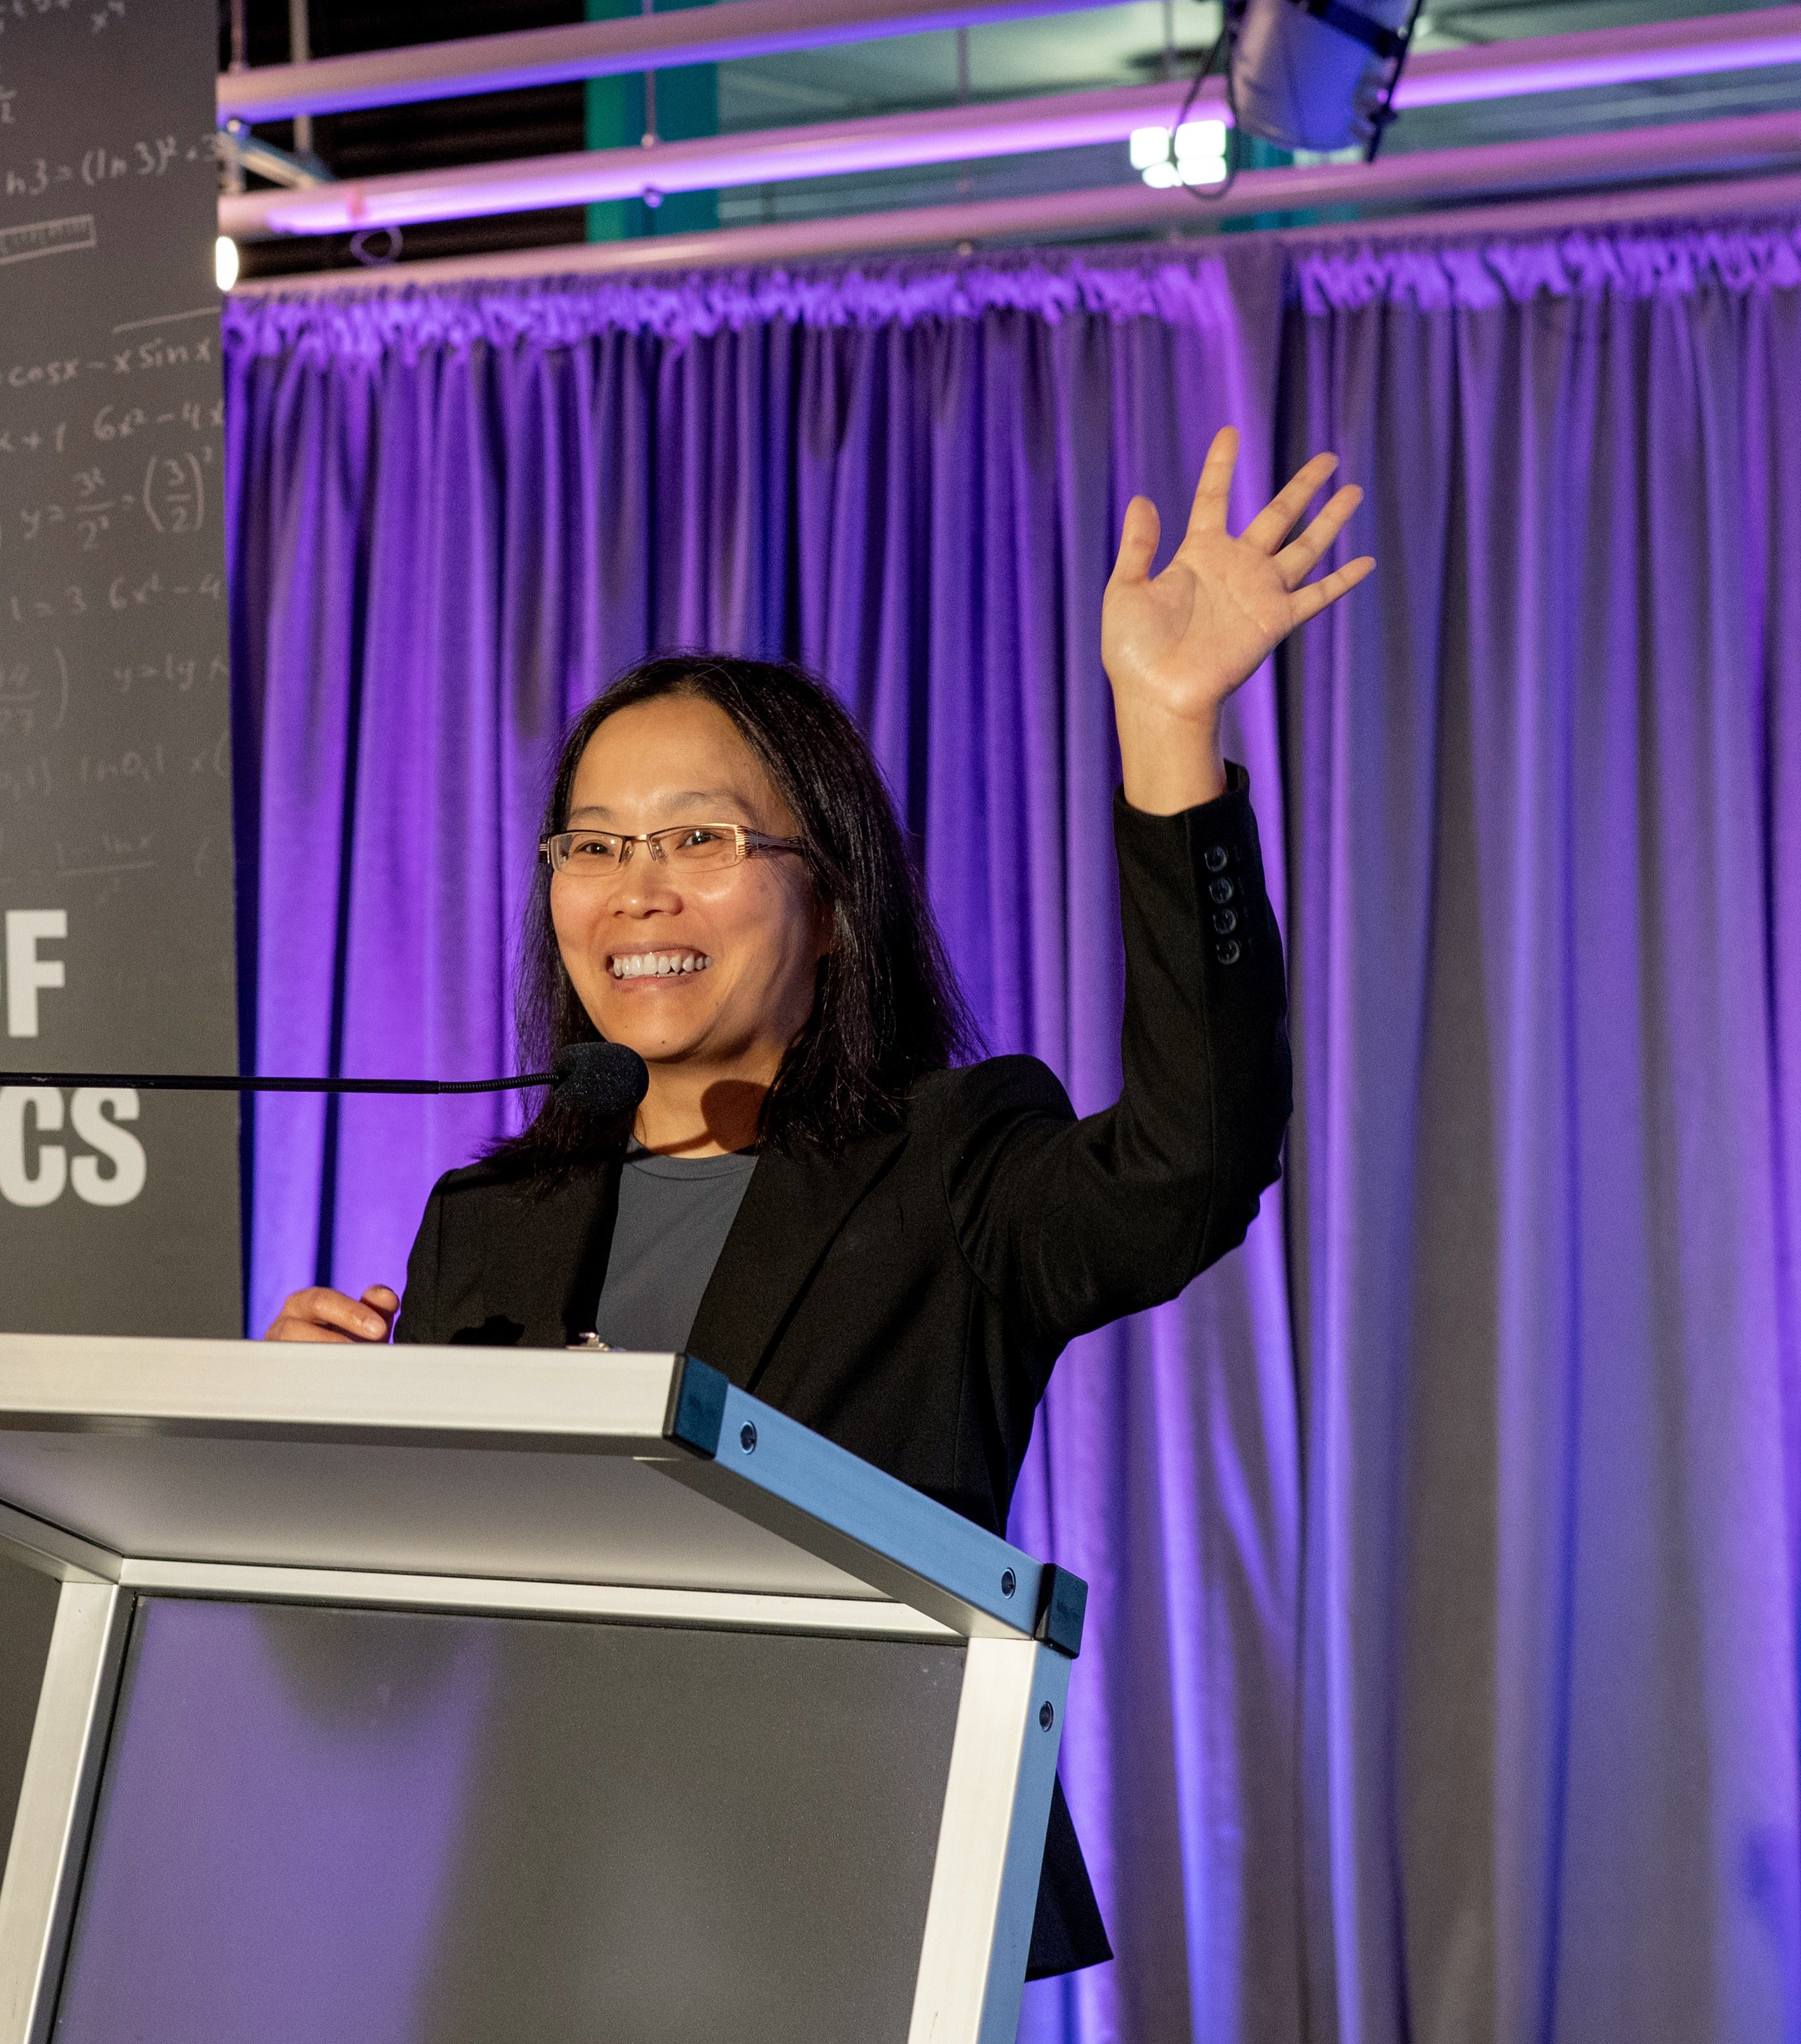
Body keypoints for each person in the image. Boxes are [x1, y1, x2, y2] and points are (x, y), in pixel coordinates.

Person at [263, 427, 1372, 1978]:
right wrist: (312, 1468)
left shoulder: (952, 1163)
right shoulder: (485, 1221)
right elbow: (386, 1667)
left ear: (836, 900)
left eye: (700, 840)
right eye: (593, 846)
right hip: (529, 1928)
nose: (635, 890)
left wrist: (1167, 730)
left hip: (837, 1913)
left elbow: (1193, 1161)